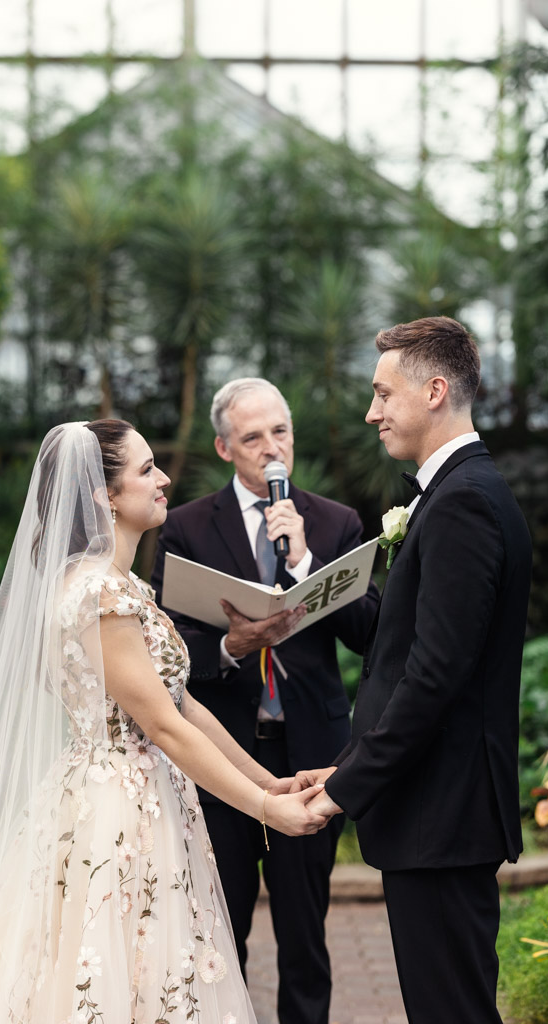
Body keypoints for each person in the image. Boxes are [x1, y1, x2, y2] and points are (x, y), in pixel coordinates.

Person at [0, 418, 328, 1024]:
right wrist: (267, 813)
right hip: (117, 810)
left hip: (149, 795)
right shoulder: (96, 595)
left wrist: (270, 782)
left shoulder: (121, 584)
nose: (164, 479)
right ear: (103, 495)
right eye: (145, 470)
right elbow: (163, 725)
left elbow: (185, 704)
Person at [298, 317, 532, 1024]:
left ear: (434, 391)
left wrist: (346, 786)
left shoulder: (461, 502)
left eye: (381, 394)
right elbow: (399, 658)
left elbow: (435, 678)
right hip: (435, 812)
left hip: (443, 814)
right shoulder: (455, 494)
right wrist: (342, 761)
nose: (371, 413)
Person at [151, 378, 379, 1024]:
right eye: (252, 437)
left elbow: (371, 633)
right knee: (221, 929)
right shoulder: (187, 527)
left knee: (305, 933)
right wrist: (229, 646)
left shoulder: (333, 523)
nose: (270, 447)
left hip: (309, 750)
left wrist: (305, 561)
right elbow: (161, 654)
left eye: (279, 432)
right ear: (224, 447)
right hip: (221, 756)